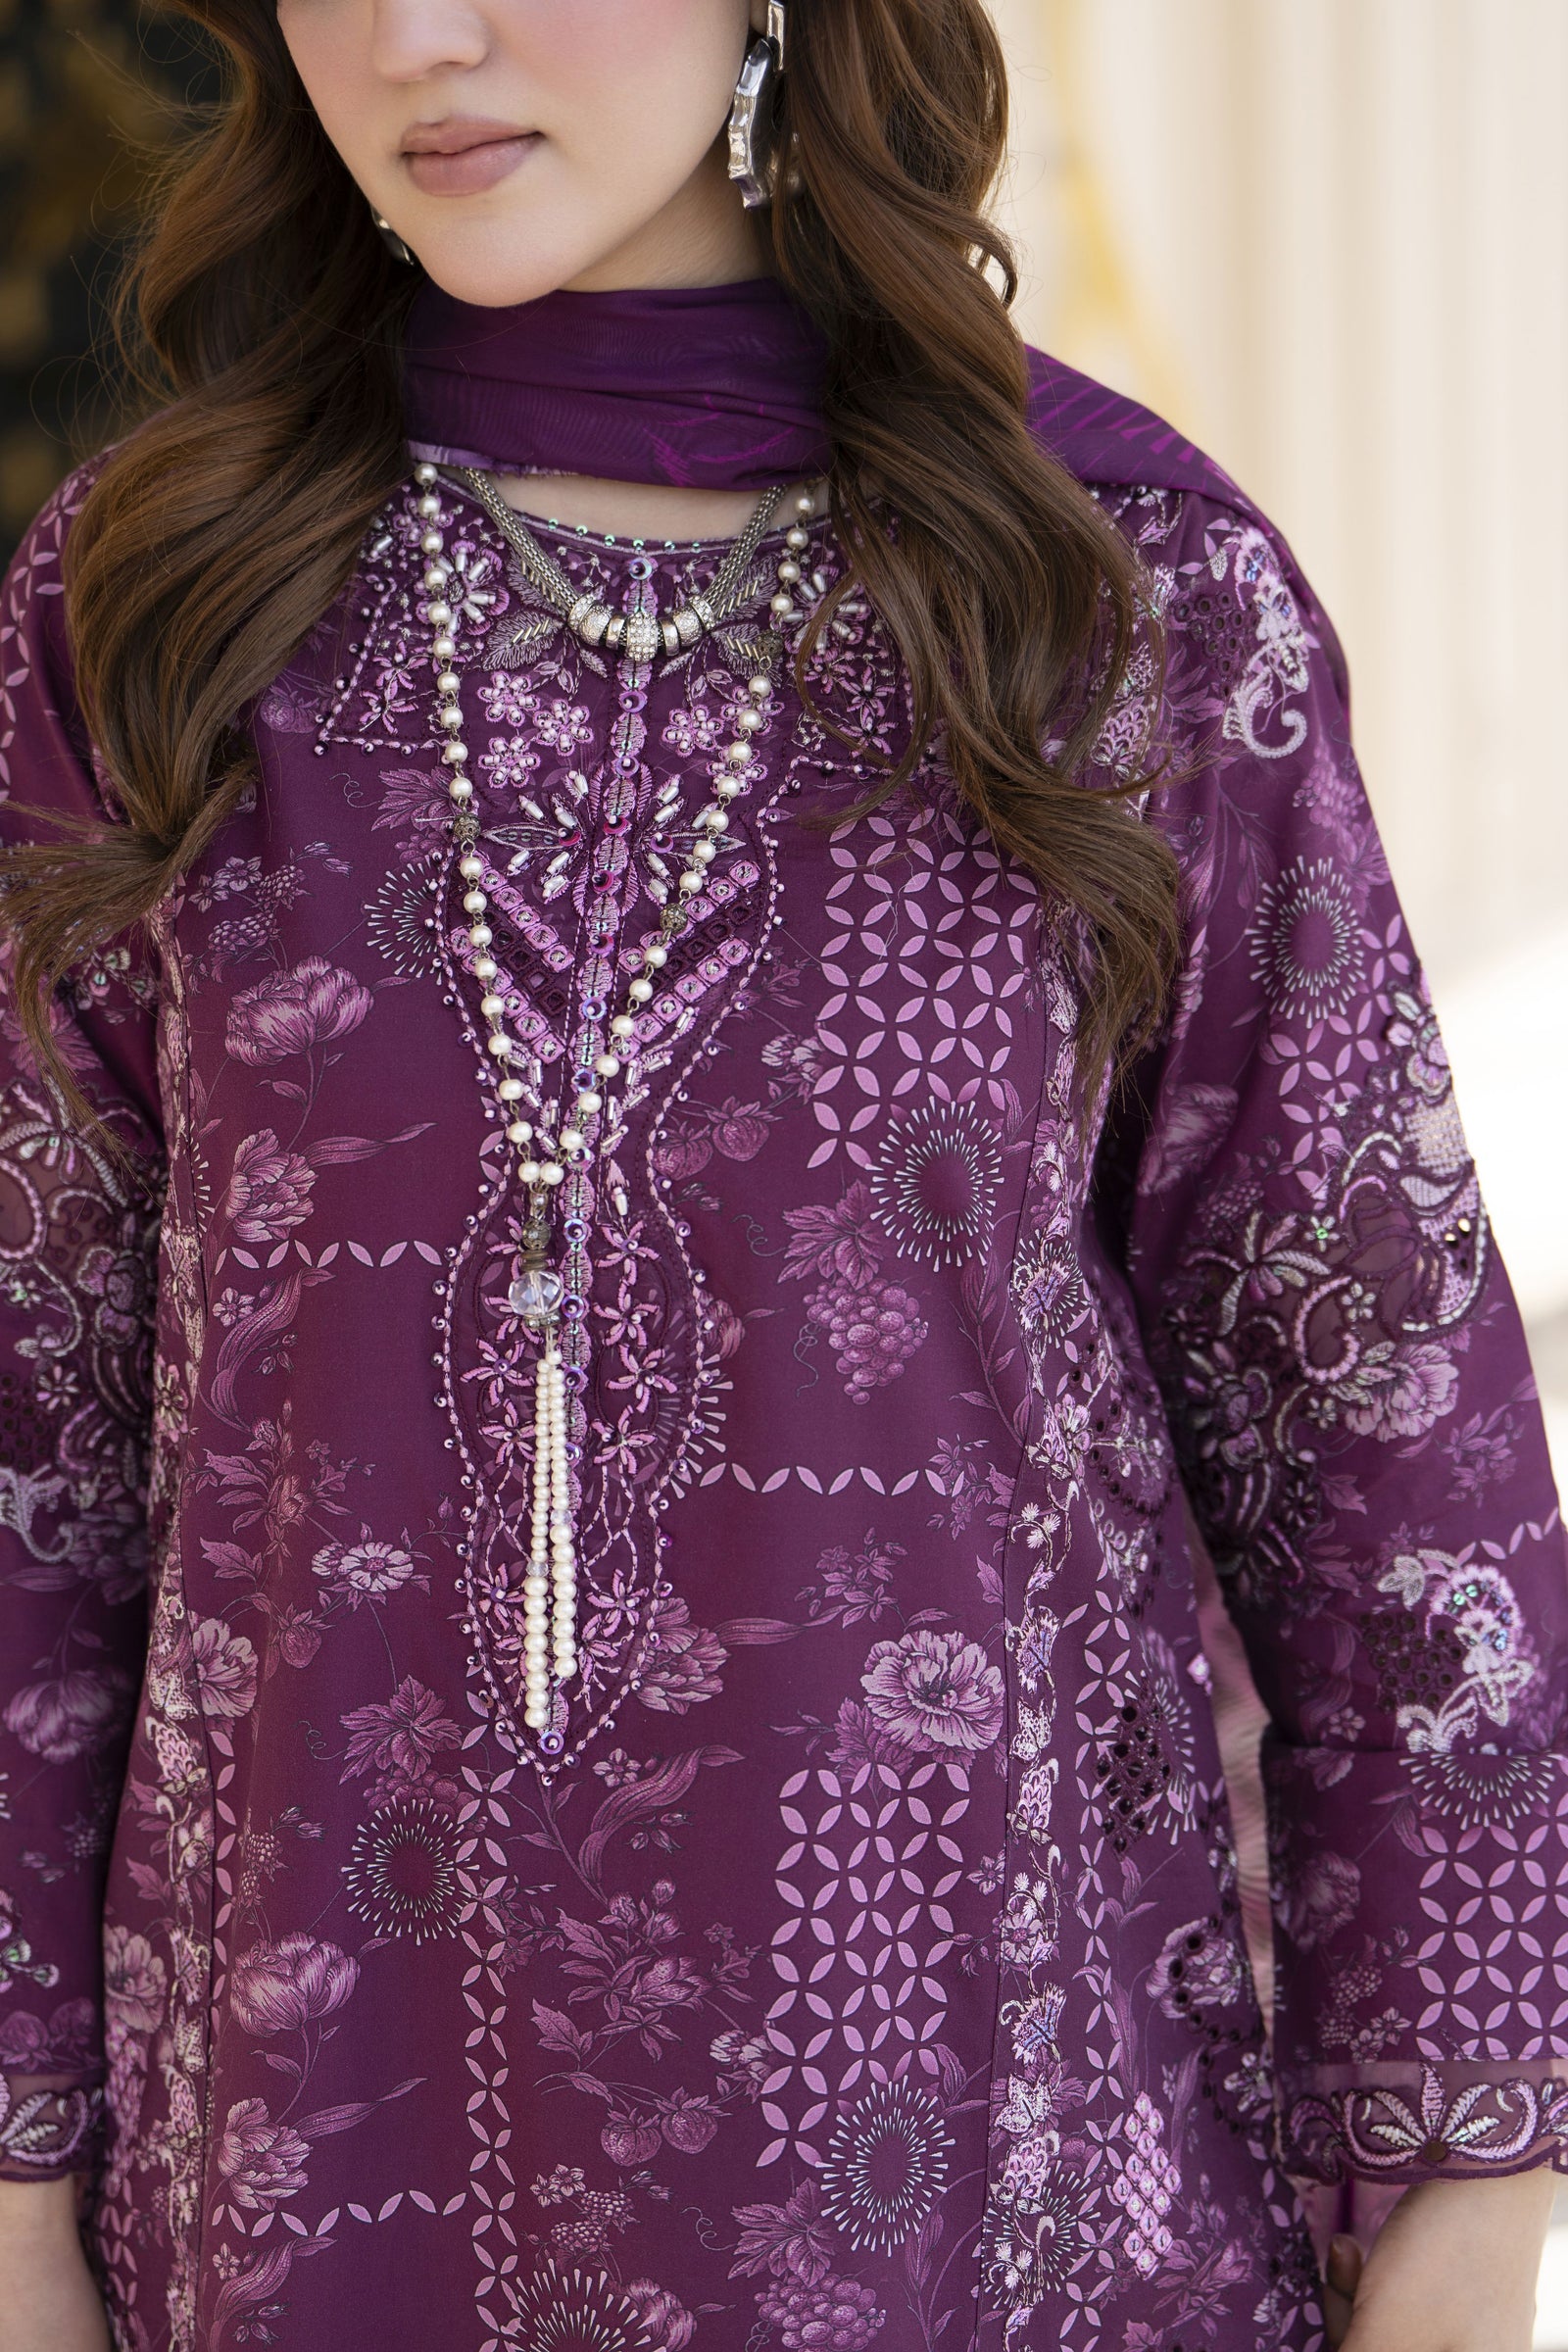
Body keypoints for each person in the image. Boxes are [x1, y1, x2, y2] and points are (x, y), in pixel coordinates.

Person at [0, 2, 1561, 2347]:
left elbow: (1383, 1465)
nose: (418, 38)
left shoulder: (1106, 605)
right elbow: (28, 1452)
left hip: (1008, 2231)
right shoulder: (156, 617)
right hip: (303, 2213)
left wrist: (1466, 2207)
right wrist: (14, 2210)